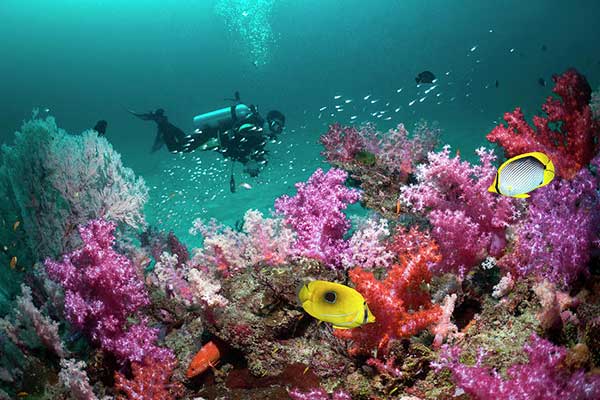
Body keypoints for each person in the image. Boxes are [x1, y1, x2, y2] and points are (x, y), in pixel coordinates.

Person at [130, 95, 285, 179]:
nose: (277, 130)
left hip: (215, 143)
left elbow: (239, 151)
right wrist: (257, 133)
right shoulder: (254, 122)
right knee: (176, 148)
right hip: (212, 135)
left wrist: (249, 163)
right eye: (276, 125)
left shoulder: (260, 140)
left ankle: (165, 125)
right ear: (270, 121)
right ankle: (161, 121)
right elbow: (240, 129)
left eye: (280, 128)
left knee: (183, 146)